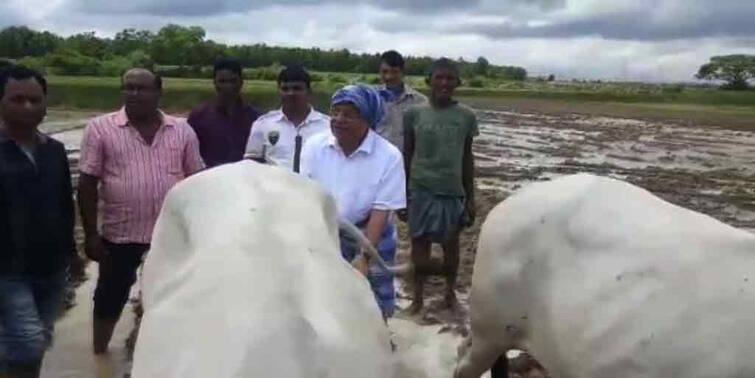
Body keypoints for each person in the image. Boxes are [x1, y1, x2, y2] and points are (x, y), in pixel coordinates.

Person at [77, 68, 205, 355]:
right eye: (129, 88)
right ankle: (100, 352)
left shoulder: (181, 129)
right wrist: (90, 235)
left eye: (142, 89)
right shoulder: (101, 128)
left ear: (159, 93)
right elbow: (86, 183)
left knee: (170, 295)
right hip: (120, 233)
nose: (134, 94)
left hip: (169, 234)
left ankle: (159, 352)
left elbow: (197, 180)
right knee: (109, 295)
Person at [301, 84, 406, 319]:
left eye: (348, 114)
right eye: (335, 112)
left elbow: (381, 211)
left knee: (374, 298)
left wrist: (364, 258)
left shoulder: (388, 156)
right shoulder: (315, 146)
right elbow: (304, 196)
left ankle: (380, 337)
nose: (339, 119)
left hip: (370, 235)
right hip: (323, 231)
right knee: (322, 295)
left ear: (368, 119)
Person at [0, 66, 75, 377]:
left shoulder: (53, 150)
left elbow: (63, 203)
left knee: (39, 338)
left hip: (50, 265)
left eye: (35, 99)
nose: (28, 107)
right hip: (6, 268)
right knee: (29, 341)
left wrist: (72, 251)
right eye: (17, 99)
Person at [402, 58, 478, 314]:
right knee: (419, 248)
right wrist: (402, 193)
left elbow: (467, 158)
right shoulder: (413, 114)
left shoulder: (466, 116)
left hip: (452, 191)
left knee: (451, 248)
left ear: (457, 82)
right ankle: (418, 298)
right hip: (420, 189)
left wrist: (470, 197)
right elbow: (407, 154)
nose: (444, 83)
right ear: (429, 81)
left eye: (450, 78)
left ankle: (449, 294)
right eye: (439, 78)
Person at [244, 65, 329, 172]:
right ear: (279, 91)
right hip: (275, 187)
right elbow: (251, 165)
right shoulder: (263, 124)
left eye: (297, 88)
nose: (291, 93)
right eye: (285, 89)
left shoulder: (327, 126)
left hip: (314, 187)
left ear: (309, 91)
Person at [188, 58, 261, 168]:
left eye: (232, 81)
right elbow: (191, 153)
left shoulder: (256, 118)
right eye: (222, 81)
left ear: (241, 82)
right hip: (210, 180)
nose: (227, 86)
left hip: (245, 179)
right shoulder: (199, 116)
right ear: (214, 82)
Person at [375, 50, 427, 152]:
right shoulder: (372, 99)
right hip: (378, 159)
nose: (389, 76)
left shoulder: (420, 101)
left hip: (407, 159)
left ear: (403, 73)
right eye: (384, 71)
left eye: (394, 71)